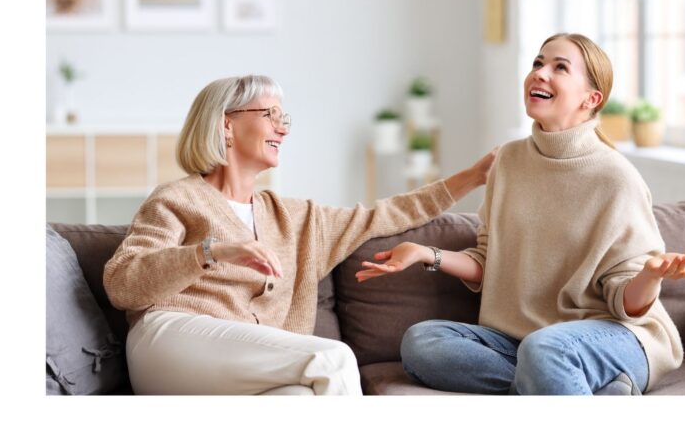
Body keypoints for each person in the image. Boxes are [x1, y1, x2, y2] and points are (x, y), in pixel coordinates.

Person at [355, 33, 685, 395]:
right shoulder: (508, 161)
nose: (540, 73)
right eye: (538, 63)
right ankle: (569, 386)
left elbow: (627, 304)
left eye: (560, 68)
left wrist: (649, 276)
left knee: (545, 350)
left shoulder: (616, 178)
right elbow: (490, 261)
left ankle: (555, 376)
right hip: (522, 341)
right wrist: (427, 254)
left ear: (591, 99)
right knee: (421, 342)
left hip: (616, 337)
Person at [104, 74, 494, 395]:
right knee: (332, 359)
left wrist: (473, 177)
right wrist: (212, 252)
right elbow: (123, 283)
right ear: (226, 123)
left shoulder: (296, 219)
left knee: (301, 399)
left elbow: (386, 214)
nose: (282, 128)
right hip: (170, 343)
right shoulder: (177, 198)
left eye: (284, 118)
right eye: (270, 114)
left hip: (238, 365)